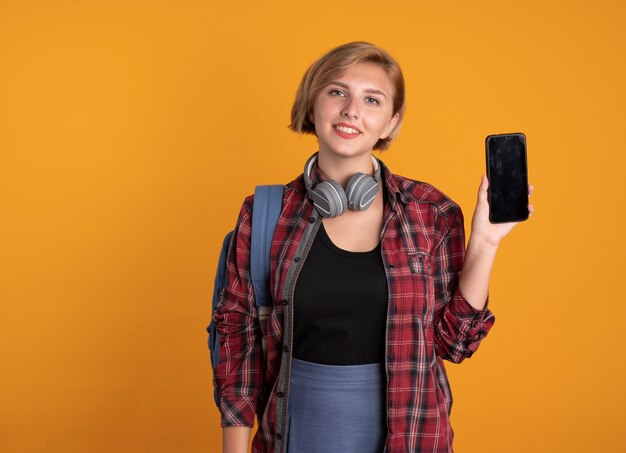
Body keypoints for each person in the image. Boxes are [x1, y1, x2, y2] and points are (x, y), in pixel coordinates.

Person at [213, 41, 534, 453]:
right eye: (336, 92)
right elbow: (239, 346)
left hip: (413, 437)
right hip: (295, 436)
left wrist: (486, 242)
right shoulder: (264, 214)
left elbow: (455, 343)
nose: (351, 110)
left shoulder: (430, 212)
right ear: (312, 105)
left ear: (389, 123)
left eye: (371, 99)